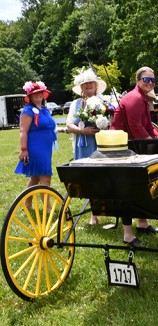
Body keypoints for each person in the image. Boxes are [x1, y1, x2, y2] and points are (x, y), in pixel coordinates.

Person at [110, 66, 158, 245]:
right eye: (146, 80)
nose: (150, 83)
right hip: (121, 148)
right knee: (128, 190)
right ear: (138, 81)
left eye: (153, 80)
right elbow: (135, 127)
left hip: (134, 146)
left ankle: (142, 223)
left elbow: (147, 125)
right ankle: (128, 234)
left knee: (142, 185)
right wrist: (151, 143)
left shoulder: (143, 99)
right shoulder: (134, 98)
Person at [66, 67, 110, 225]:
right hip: (83, 145)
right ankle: (94, 213)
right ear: (81, 88)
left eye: (91, 83)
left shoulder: (105, 102)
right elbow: (69, 125)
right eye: (85, 84)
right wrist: (82, 131)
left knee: (104, 177)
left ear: (96, 85)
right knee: (89, 179)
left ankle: (109, 207)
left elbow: (112, 121)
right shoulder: (75, 104)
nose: (89, 85)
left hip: (102, 143)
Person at [15, 81, 57, 211]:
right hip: (35, 148)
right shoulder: (27, 111)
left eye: (39, 93)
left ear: (43, 94)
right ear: (30, 96)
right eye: (34, 93)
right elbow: (23, 131)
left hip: (46, 148)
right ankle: (47, 207)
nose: (38, 95)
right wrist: (24, 150)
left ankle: (27, 204)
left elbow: (49, 126)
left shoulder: (44, 110)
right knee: (45, 175)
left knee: (35, 177)